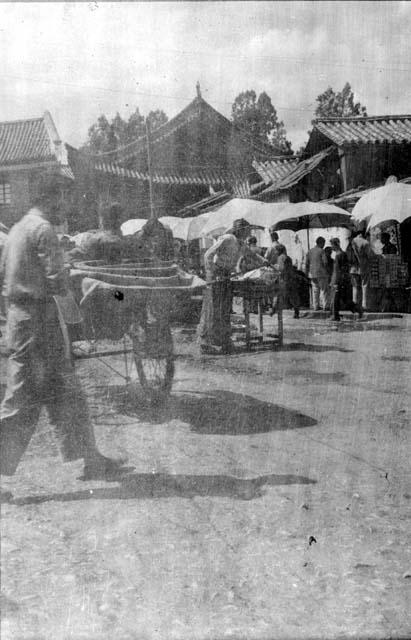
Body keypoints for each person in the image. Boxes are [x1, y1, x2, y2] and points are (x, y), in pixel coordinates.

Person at [0, 172, 126, 502]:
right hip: (36, 322)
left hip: (24, 318)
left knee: (67, 393)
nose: (67, 205)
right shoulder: (43, 230)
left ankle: (91, 459)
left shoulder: (17, 229)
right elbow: (58, 282)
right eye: (65, 199)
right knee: (20, 400)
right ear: (52, 198)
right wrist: (81, 314)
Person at [197, 218, 251, 355]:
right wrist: (213, 272)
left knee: (225, 310)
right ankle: (206, 342)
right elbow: (208, 254)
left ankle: (223, 341)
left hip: (226, 276)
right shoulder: (228, 238)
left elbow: (252, 255)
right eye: (247, 230)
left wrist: (267, 262)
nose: (249, 233)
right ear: (240, 230)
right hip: (216, 275)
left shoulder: (241, 244)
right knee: (213, 308)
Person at [329, 237, 363, 321]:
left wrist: (336, 282)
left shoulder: (339, 255)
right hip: (342, 280)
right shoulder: (341, 254)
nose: (331, 247)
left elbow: (338, 270)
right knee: (345, 299)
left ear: (335, 245)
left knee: (336, 299)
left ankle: (335, 316)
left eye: (332, 245)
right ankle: (358, 309)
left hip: (339, 280)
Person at [346, 229, 374, 311]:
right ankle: (364, 304)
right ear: (363, 234)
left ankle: (354, 304)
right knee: (364, 285)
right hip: (363, 267)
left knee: (354, 287)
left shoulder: (351, 242)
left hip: (353, 268)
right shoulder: (365, 242)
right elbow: (370, 255)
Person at [273, 245, 300, 319]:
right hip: (291, 279)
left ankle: (274, 309)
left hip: (284, 279)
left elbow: (281, 268)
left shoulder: (280, 258)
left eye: (275, 251)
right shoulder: (288, 257)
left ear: (279, 250)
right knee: (293, 296)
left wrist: (274, 267)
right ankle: (296, 312)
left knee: (279, 294)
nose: (275, 252)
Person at [305, 236, 329, 311]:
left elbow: (306, 263)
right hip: (321, 273)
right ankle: (325, 306)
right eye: (323, 243)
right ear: (321, 243)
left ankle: (315, 306)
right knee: (323, 290)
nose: (324, 245)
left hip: (312, 274)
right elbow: (325, 262)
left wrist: (307, 272)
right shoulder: (322, 251)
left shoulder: (310, 251)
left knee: (315, 290)